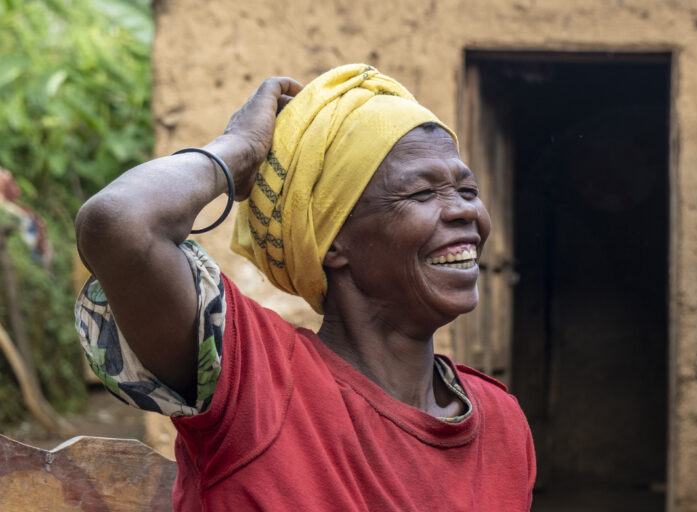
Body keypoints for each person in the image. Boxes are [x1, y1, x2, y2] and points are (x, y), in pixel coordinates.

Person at [75, 64, 535, 511]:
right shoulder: (257, 382)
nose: (465, 212)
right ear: (332, 242)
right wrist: (239, 148)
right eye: (421, 194)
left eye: (468, 191)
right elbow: (119, 224)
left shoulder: (501, 421)